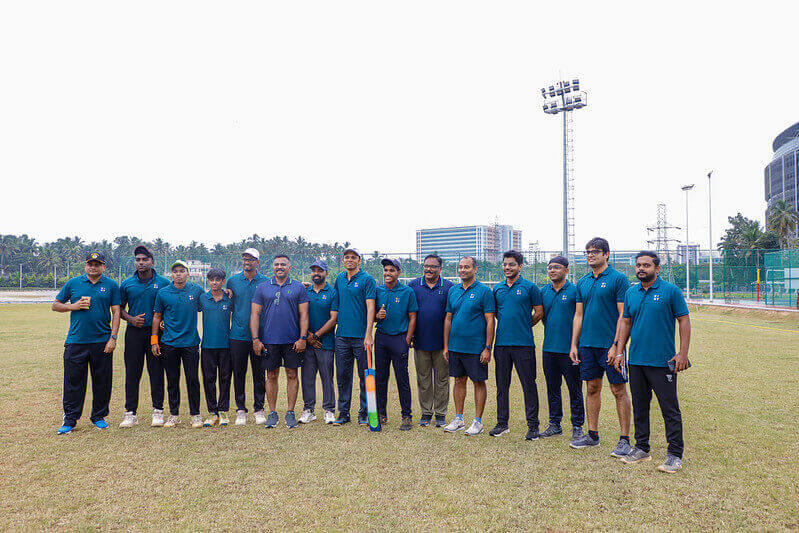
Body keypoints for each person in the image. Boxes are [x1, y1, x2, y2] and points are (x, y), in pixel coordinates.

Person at [614, 251, 691, 474]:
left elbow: (684, 320)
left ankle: (675, 454)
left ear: (657, 268)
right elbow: (625, 322)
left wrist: (683, 353)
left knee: (670, 409)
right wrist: (620, 352)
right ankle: (642, 448)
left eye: (646, 265)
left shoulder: (670, 291)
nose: (641, 269)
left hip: (662, 361)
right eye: (638, 265)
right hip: (637, 360)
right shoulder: (631, 292)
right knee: (639, 405)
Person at [569, 237, 633, 457]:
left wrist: (617, 346)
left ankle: (625, 439)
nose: (590, 255)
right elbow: (579, 315)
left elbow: (624, 315)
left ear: (606, 254)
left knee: (618, 390)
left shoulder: (618, 279)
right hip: (587, 345)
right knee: (592, 388)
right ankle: (593, 435)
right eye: (587, 252)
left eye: (595, 251)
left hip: (611, 346)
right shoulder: (583, 282)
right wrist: (574, 344)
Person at [52, 252, 121, 434]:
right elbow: (55, 304)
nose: (93, 267)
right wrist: (72, 306)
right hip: (76, 342)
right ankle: (70, 420)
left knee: (102, 382)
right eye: (90, 264)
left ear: (103, 267)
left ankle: (98, 417)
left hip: (102, 342)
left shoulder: (111, 285)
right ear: (85, 266)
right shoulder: (74, 283)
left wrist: (112, 338)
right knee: (73, 382)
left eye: (97, 264)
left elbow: (116, 312)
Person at [490, 250, 544, 440]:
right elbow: (497, 314)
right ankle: (502, 424)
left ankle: (533, 426)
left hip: (524, 344)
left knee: (528, 384)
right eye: (505, 264)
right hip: (502, 344)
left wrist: (524, 324)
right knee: (501, 385)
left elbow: (538, 312)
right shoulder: (497, 289)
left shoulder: (530, 287)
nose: (507, 267)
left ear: (520, 266)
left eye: (511, 264)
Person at [251, 255, 310, 429]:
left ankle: (290, 412)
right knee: (271, 375)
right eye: (276, 264)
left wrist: (302, 338)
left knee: (292, 374)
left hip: (292, 341)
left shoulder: (298, 287)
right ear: (272, 267)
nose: (279, 267)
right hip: (269, 340)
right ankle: (272, 412)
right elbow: (255, 314)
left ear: (289, 267)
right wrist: (255, 339)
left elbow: (304, 315)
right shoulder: (262, 288)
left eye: (283, 264)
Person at [118, 245, 171, 428]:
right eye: (138, 260)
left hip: (156, 334)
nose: (141, 263)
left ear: (152, 262)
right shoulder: (127, 284)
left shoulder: (163, 283)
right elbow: (118, 309)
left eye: (144, 259)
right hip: (134, 333)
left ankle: (158, 411)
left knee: (156, 372)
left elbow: (169, 306)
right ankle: (130, 413)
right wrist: (131, 319)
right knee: (132, 373)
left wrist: (164, 320)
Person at [442, 256, 496, 436]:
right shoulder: (453, 291)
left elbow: (490, 320)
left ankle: (478, 422)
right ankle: (458, 419)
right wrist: (446, 345)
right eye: (460, 267)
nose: (463, 270)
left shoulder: (484, 291)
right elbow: (448, 318)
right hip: (456, 346)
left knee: (478, 382)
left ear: (475, 269)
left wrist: (487, 347)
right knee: (458, 380)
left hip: (476, 347)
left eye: (467, 267)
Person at [151, 260, 205, 428]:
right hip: (169, 343)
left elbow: (209, 302)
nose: (179, 274)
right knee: (172, 380)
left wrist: (225, 292)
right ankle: (173, 414)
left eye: (182, 271)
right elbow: (157, 317)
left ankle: (195, 414)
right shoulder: (163, 293)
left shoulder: (196, 290)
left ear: (188, 274)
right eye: (175, 271)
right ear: (171, 274)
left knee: (192, 379)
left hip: (190, 343)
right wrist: (154, 340)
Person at [539, 255, 585, 443]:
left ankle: (577, 426)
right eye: (550, 268)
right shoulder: (544, 291)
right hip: (549, 348)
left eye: (556, 267)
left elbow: (580, 317)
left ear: (566, 270)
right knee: (552, 388)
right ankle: (555, 424)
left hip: (570, 350)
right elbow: (543, 317)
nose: (552, 270)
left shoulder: (575, 290)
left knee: (574, 387)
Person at [331, 248, 377, 426]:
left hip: (361, 338)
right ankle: (343, 414)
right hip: (341, 337)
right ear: (343, 260)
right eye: (347, 257)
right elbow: (335, 305)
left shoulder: (367, 279)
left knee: (364, 376)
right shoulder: (340, 279)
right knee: (342, 376)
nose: (350, 260)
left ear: (359, 260)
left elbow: (370, 307)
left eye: (353, 257)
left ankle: (364, 413)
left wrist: (368, 334)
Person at [408, 254, 453, 427]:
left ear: (440, 268)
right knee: (424, 379)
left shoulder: (449, 287)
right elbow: (409, 313)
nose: (429, 269)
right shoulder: (413, 286)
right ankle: (426, 413)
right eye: (426, 266)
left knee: (442, 380)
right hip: (420, 342)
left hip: (442, 344)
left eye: (433, 266)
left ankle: (440, 415)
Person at [374, 258, 418, 430]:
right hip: (382, 338)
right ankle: (381, 413)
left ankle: (406, 416)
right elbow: (372, 315)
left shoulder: (407, 292)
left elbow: (413, 316)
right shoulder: (378, 291)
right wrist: (378, 316)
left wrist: (408, 337)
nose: (388, 273)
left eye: (392, 270)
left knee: (402, 378)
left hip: (399, 338)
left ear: (398, 272)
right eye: (386, 270)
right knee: (380, 378)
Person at [226, 248, 268, 425]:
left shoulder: (266, 281)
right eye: (245, 258)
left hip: (260, 336)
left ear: (257, 262)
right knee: (239, 373)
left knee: (259, 373)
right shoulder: (233, 281)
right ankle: (241, 410)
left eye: (251, 259)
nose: (247, 261)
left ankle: (259, 409)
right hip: (238, 335)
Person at [300, 260, 339, 424]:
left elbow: (333, 319)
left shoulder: (332, 292)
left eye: (320, 270)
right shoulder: (304, 290)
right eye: (314, 270)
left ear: (326, 273)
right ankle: (309, 410)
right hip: (307, 342)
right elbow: (299, 315)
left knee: (327, 377)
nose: (316, 273)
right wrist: (308, 337)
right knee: (307, 377)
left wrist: (316, 336)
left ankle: (329, 410)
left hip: (326, 343)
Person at [199, 268, 233, 427]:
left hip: (226, 345)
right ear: (208, 281)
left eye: (218, 280)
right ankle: (212, 413)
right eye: (211, 279)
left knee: (225, 378)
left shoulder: (230, 298)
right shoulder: (203, 298)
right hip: (207, 346)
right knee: (209, 379)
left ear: (223, 281)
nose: (214, 282)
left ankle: (223, 411)